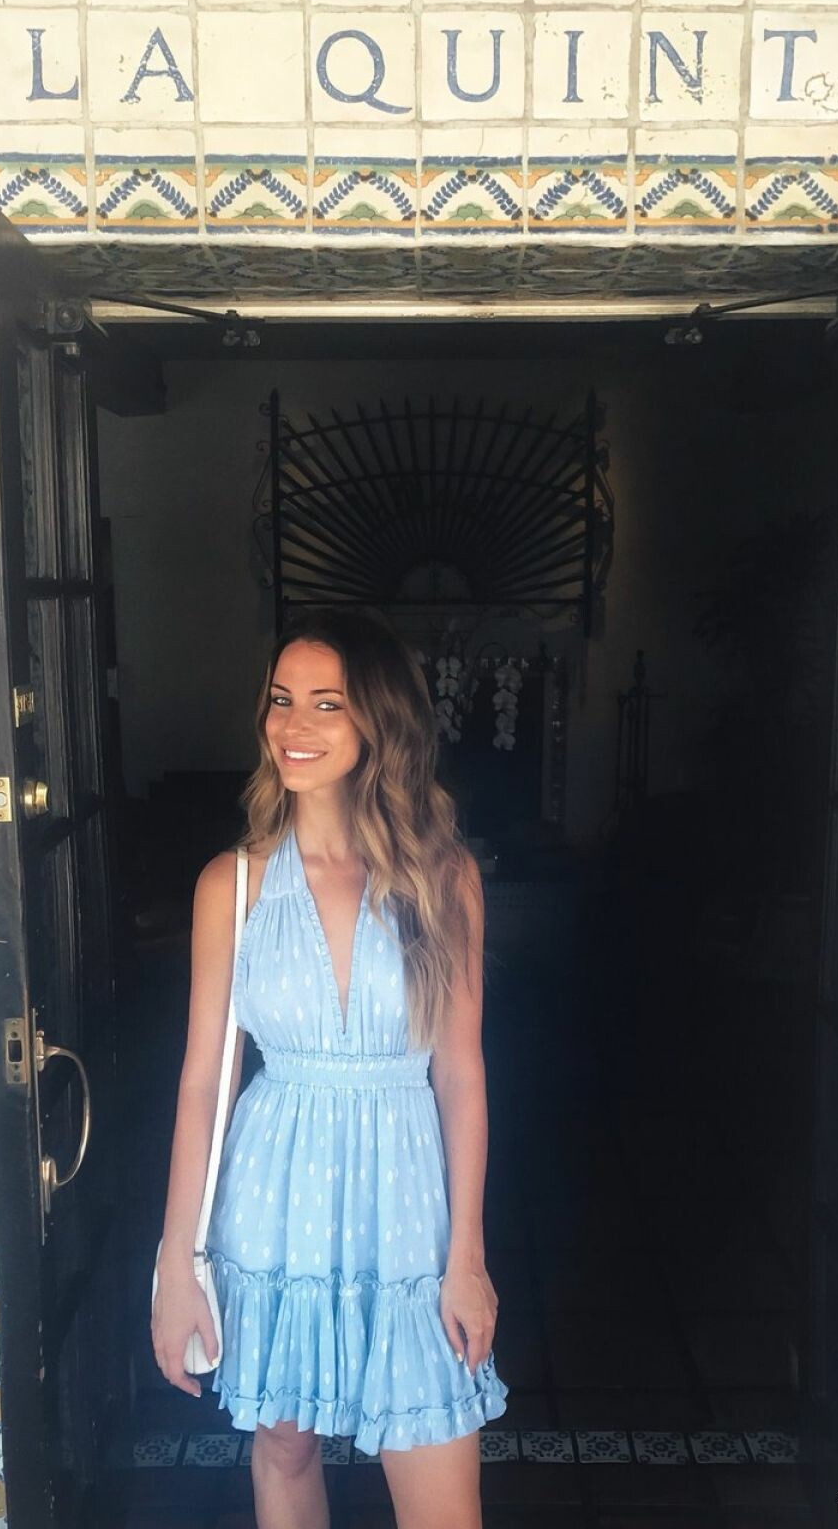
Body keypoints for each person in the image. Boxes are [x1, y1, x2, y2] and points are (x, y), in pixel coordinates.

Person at [152, 606, 509, 1528]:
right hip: (272, 1207)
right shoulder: (231, 885)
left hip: (409, 1217)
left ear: (379, 723)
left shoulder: (443, 879)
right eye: (281, 700)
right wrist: (175, 1266)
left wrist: (467, 1258)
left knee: (440, 1488)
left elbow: (460, 1075)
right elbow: (202, 1085)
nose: (293, 725)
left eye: (326, 703)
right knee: (284, 1447)